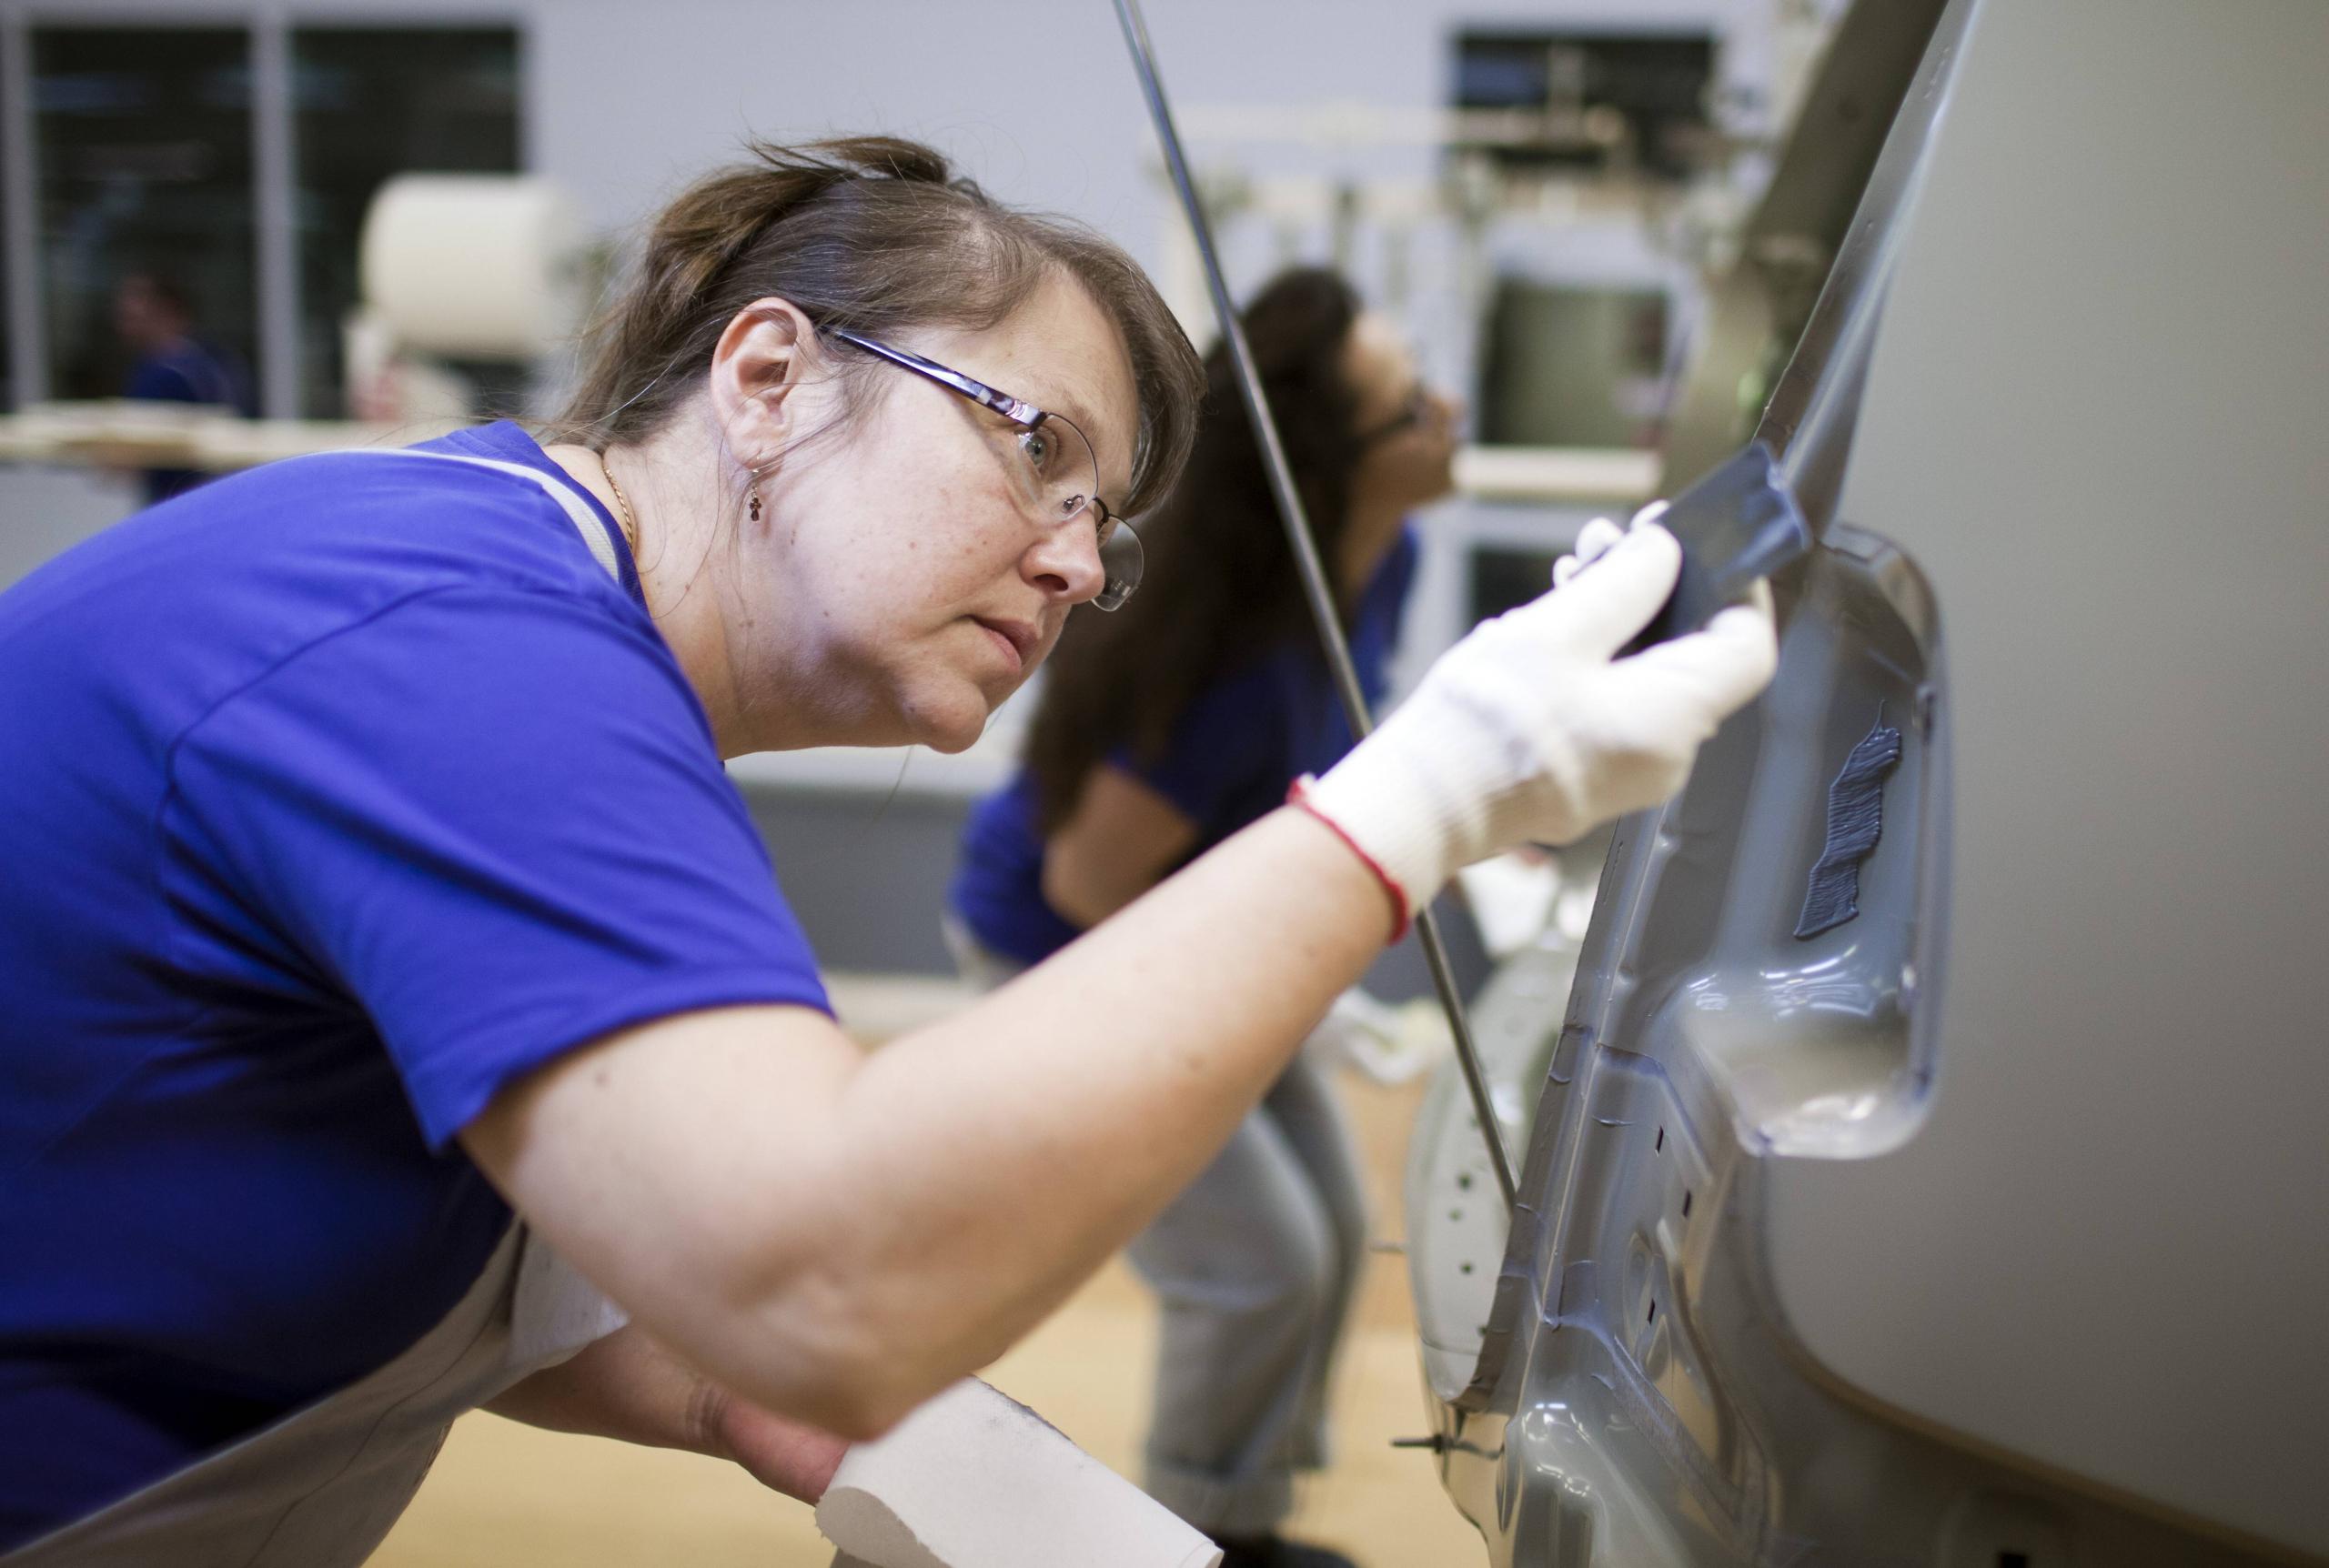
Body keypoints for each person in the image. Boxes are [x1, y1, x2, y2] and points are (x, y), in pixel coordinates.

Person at [0, 136, 1775, 1566]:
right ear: (767, 376)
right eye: (1038, 451)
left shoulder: (533, 638)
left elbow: (663, 1307)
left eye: (1104, 524)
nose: (1077, 566)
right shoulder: (450, 634)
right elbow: (813, 1277)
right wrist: (1423, 800)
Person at [947, 267, 1458, 1567]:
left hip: (1206, 940)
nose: (1448, 414)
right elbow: (1088, 890)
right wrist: (1269, 979)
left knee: (1339, 1232)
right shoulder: (1230, 657)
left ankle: (1245, 1518)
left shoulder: (1377, 561)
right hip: (1070, 952)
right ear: (1336, 460)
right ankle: (1194, 1534)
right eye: (1411, 410)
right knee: (1257, 1263)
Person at [111, 271, 255, 504]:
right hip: (227, 496)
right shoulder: (218, 358)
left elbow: (126, 462)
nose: (122, 324)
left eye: (131, 315)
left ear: (165, 310)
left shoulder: (163, 374)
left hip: (180, 501)